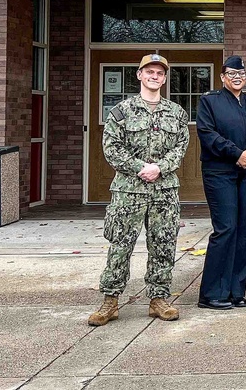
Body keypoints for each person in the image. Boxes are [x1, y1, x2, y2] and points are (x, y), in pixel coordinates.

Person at [89, 53, 190, 327]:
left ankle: (158, 298)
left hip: (164, 189)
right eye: (149, 72)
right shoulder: (122, 111)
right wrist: (138, 167)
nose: (154, 76)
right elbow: (111, 148)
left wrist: (159, 167)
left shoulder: (177, 113)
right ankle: (110, 300)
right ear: (139, 75)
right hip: (128, 191)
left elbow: (180, 148)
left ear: (165, 78)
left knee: (164, 244)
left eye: (159, 73)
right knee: (120, 245)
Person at [195, 55, 246, 310]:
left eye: (240, 74)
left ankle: (236, 290)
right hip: (220, 172)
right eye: (231, 74)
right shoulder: (210, 101)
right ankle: (212, 293)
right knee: (225, 228)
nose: (236, 78)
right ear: (222, 77)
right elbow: (207, 134)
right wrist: (236, 153)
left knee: (243, 230)